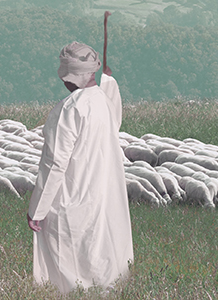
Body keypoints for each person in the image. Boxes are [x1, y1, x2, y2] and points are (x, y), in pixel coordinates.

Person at [26, 41, 132, 294]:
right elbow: (114, 108)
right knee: (102, 252)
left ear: (67, 76)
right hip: (105, 192)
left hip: (72, 195)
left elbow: (55, 162)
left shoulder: (70, 108)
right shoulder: (104, 101)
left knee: (70, 260)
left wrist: (37, 208)